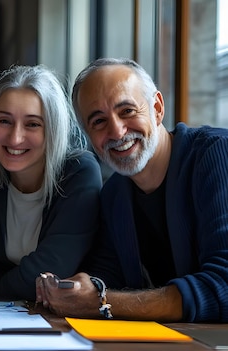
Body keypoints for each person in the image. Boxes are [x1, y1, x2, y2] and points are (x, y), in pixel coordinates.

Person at [36, 57, 228, 322]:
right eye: (98, 122)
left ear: (157, 108)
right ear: (89, 136)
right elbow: (106, 277)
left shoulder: (217, 154)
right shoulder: (114, 195)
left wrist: (103, 302)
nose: (116, 131)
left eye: (126, 111)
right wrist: (73, 289)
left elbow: (224, 286)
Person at [0, 65, 102, 301]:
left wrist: (0, 290)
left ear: (53, 129)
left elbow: (51, 269)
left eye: (32, 124)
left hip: (70, 321)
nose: (15, 137)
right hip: (7, 317)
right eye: (4, 121)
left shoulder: (79, 172)